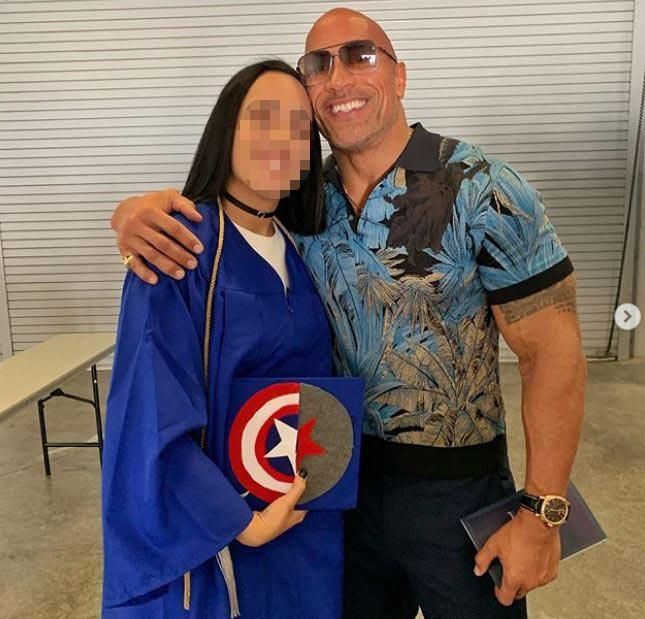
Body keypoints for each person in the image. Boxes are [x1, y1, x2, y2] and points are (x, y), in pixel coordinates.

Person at [110, 8, 587, 619]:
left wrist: (544, 512)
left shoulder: (482, 187)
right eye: (318, 65)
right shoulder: (305, 204)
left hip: (457, 493)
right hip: (335, 486)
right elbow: (228, 218)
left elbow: (553, 353)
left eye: (360, 55)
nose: (338, 78)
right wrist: (133, 213)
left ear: (399, 75)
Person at [102, 59, 347, 618]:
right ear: (225, 130)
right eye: (264, 118)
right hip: (221, 533)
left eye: (299, 126)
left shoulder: (305, 249)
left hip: (307, 520)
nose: (282, 139)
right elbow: (150, 409)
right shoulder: (179, 248)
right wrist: (241, 523)